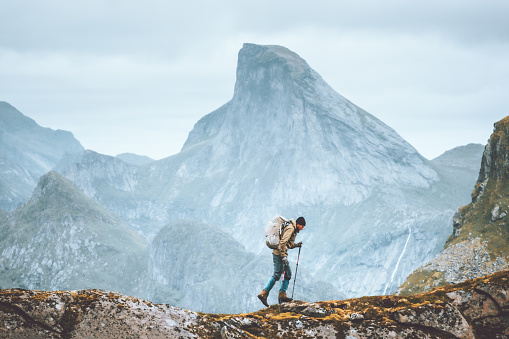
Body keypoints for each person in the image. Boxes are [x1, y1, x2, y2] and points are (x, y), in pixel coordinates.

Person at [258, 216, 305, 306]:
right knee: (278, 274)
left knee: (286, 274)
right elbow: (283, 243)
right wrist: (284, 257)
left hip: (280, 253)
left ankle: (281, 295)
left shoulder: (293, 229)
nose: (302, 228)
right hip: (279, 254)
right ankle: (265, 293)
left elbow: (289, 244)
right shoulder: (291, 228)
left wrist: (297, 245)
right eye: (302, 226)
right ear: (298, 224)